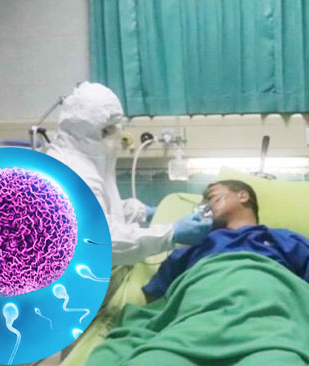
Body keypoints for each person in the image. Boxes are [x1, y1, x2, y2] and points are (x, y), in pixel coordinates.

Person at [47, 82, 211, 266]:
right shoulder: (72, 173)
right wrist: (171, 234)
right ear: (91, 131)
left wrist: (144, 213)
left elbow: (104, 208)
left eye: (115, 126)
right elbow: (99, 240)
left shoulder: (84, 158)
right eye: (109, 129)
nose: (115, 133)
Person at [142, 180, 309, 302]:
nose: (206, 206)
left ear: (243, 196)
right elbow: (156, 296)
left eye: (212, 197)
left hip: (270, 316)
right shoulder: (193, 244)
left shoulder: (283, 239)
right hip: (200, 315)